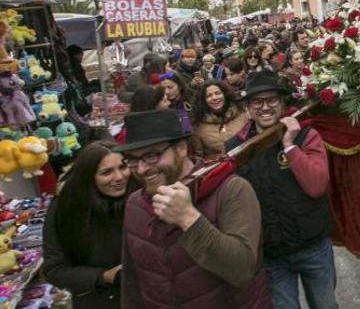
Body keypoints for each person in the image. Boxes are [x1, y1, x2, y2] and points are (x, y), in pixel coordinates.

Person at [118, 109, 271, 308]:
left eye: (151, 156)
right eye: (132, 159)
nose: (141, 169)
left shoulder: (231, 190)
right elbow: (133, 282)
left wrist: (188, 218)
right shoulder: (135, 204)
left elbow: (242, 271)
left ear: (181, 148)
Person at [225, 72, 337, 309]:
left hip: (313, 248)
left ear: (283, 102)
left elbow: (316, 186)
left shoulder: (307, 135)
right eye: (257, 102)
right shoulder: (236, 148)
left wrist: (289, 145)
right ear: (248, 107)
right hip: (271, 254)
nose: (265, 107)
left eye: (272, 100)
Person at [44, 142, 134, 308]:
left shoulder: (139, 198)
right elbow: (54, 270)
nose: (119, 177)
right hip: (98, 301)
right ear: (88, 177)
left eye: (123, 167)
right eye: (106, 172)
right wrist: (105, 276)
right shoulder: (65, 209)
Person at [190, 81, 248, 159]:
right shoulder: (198, 126)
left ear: (225, 94)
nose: (214, 98)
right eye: (209, 96)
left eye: (218, 93)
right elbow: (198, 156)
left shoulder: (242, 113)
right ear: (203, 101)